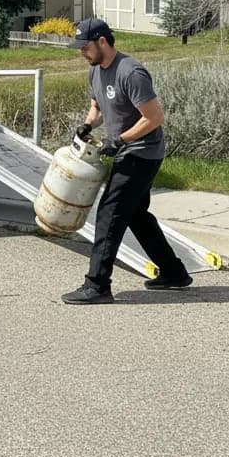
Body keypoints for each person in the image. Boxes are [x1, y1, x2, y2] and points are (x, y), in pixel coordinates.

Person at [61, 17, 192, 305]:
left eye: (85, 47)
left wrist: (120, 139)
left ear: (102, 42)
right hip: (126, 150)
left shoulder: (131, 72)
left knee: (110, 214)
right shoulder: (95, 71)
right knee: (135, 214)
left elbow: (153, 118)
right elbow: (97, 107)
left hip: (142, 152)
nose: (81, 53)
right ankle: (173, 273)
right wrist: (87, 125)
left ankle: (97, 285)